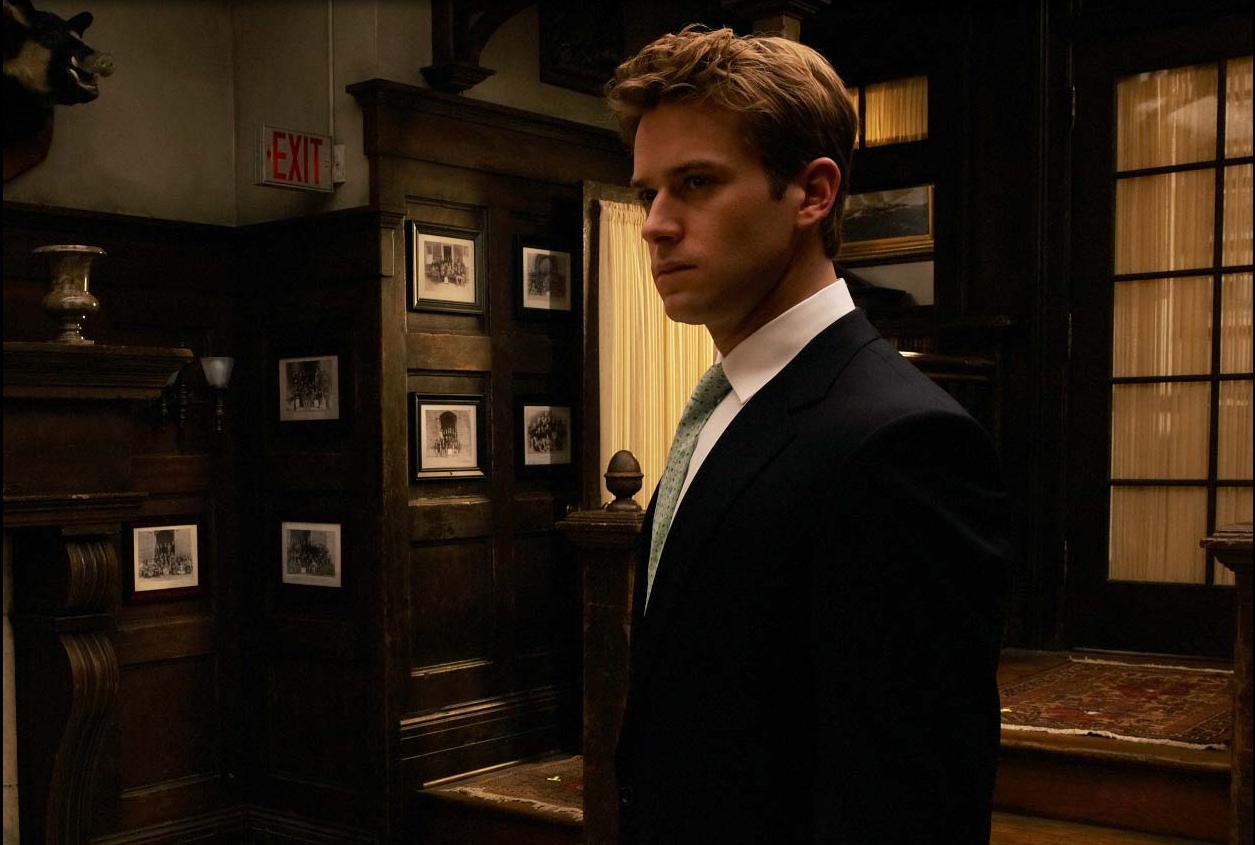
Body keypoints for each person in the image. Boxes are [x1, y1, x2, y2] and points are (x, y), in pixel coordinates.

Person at [604, 26, 1013, 845]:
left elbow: (909, 801)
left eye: (695, 183)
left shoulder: (903, 441)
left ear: (812, 193)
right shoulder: (731, 399)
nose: (655, 224)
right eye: (648, 192)